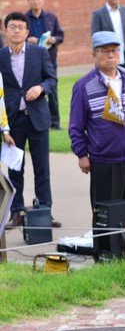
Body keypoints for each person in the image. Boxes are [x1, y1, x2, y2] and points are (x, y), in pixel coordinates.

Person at [69, 31, 125, 266]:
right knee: (106, 210)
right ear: (93, 54)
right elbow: (76, 126)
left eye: (114, 50)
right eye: (104, 51)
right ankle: (106, 254)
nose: (110, 55)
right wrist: (81, 154)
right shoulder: (84, 85)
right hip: (104, 159)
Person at [0, 12, 60, 229]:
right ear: (6, 31)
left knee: (42, 168)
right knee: (15, 170)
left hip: (38, 119)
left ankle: (45, 210)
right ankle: (16, 212)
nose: (16, 31)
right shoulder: (1, 56)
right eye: (12, 27)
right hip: (13, 122)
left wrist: (41, 87)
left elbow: (52, 79)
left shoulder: (39, 53)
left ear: (27, 32)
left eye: (20, 27)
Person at [24, 0, 64, 130]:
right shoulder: (24, 19)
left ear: (43, 0)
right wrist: (27, 40)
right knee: (33, 91)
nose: (36, 2)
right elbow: (19, 38)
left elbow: (61, 35)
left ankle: (55, 123)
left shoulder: (51, 18)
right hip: (31, 62)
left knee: (53, 92)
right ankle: (35, 122)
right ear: (28, 1)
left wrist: (54, 39)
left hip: (50, 60)